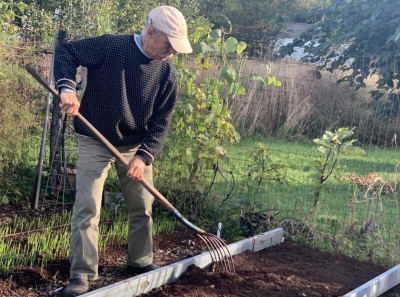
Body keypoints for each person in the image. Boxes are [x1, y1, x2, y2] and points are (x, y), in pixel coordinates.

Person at [54, 6, 192, 297]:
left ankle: (140, 262)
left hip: (134, 146)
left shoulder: (167, 73)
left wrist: (143, 156)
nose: (171, 52)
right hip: (94, 137)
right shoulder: (112, 46)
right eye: (168, 44)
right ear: (151, 32)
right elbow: (67, 53)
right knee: (87, 208)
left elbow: (161, 121)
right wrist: (67, 87)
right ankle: (81, 275)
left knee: (142, 206)